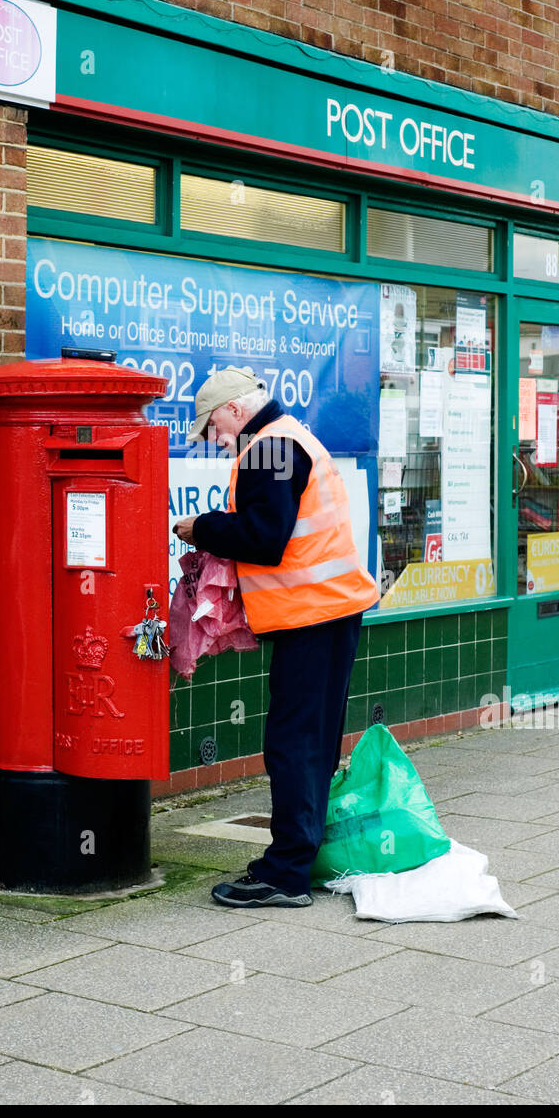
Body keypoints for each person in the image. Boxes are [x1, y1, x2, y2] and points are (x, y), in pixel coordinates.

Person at [172, 366, 379, 907]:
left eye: (214, 426)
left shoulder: (268, 448)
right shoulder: (291, 435)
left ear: (236, 409)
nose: (215, 440)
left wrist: (204, 527)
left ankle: (284, 875)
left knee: (292, 745)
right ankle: (297, 856)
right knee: (312, 743)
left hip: (312, 615)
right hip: (331, 610)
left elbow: (265, 539)